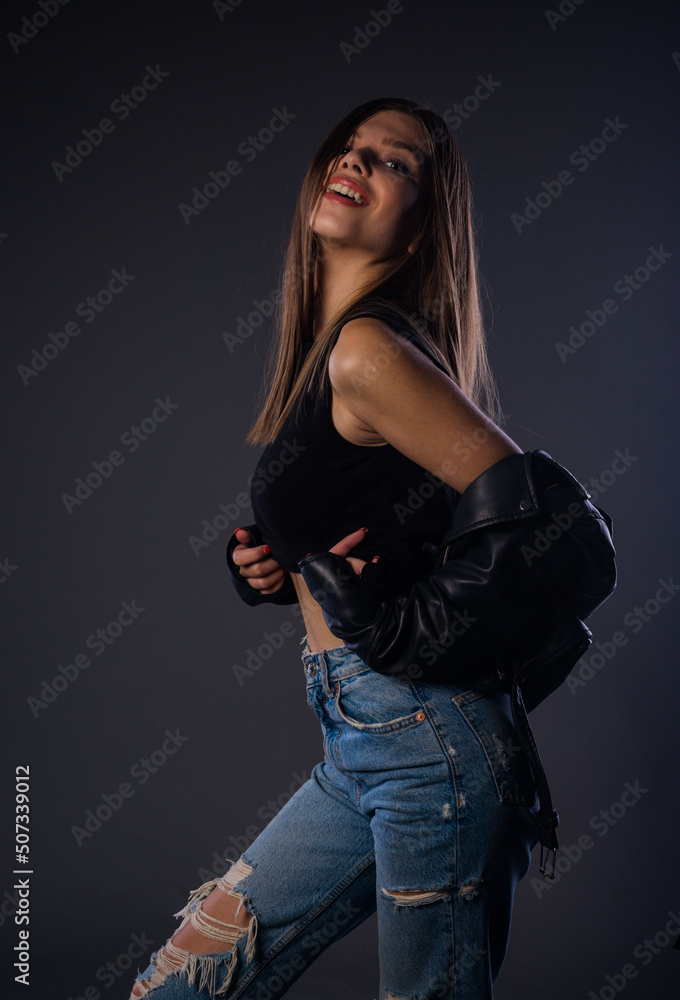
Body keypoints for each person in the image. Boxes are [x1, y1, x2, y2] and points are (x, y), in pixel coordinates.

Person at [128, 96, 549, 1000]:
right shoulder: (343, 349)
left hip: (427, 742)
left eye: (394, 161)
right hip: (363, 746)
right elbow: (417, 527)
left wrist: (403, 605)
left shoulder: (365, 351)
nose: (355, 162)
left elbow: (540, 527)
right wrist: (289, 570)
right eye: (351, 148)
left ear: (424, 225)